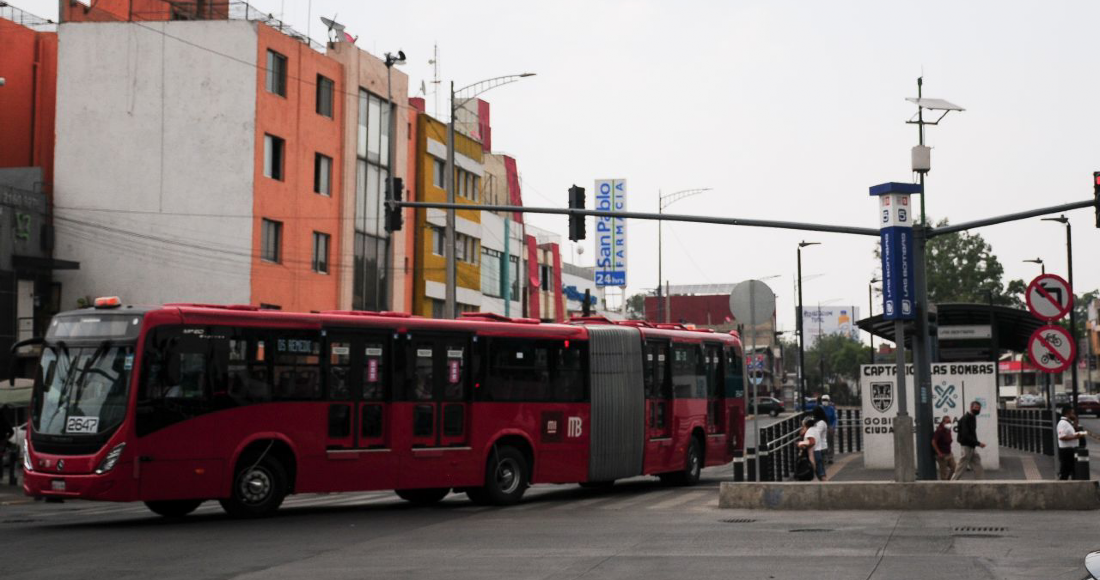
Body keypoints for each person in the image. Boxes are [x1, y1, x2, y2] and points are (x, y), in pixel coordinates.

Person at [951, 401, 986, 480]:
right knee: (962, 466)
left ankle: (981, 483)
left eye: (979, 408)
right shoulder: (966, 419)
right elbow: (965, 435)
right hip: (967, 446)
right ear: (971, 407)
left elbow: (972, 433)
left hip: (971, 446)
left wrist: (975, 443)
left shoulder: (972, 417)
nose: (977, 410)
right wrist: (978, 443)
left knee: (977, 464)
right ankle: (953, 483)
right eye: (976, 408)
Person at [1057, 407, 1086, 480]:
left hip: (1071, 450)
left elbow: (1072, 432)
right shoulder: (1063, 423)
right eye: (1073, 413)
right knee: (1065, 472)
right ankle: (1062, 488)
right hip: (1066, 451)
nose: (1074, 415)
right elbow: (1061, 437)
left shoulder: (1068, 422)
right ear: (1068, 413)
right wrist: (1075, 437)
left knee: (1074, 470)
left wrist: (1075, 422)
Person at [932, 415, 956, 480]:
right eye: (947, 422)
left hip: (949, 453)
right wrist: (939, 453)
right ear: (943, 422)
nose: (949, 423)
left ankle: (948, 481)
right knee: (943, 473)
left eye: (950, 422)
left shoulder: (948, 430)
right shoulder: (939, 431)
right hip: (942, 455)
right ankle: (944, 484)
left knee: (955, 468)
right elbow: (933, 442)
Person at [820, 395, 837, 464]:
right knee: (823, 443)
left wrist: (833, 427)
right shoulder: (820, 408)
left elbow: (834, 419)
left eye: (826, 400)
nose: (825, 401)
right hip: (822, 427)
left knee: (830, 442)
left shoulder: (831, 409)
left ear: (829, 401)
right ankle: (824, 457)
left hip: (830, 428)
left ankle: (830, 457)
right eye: (823, 400)